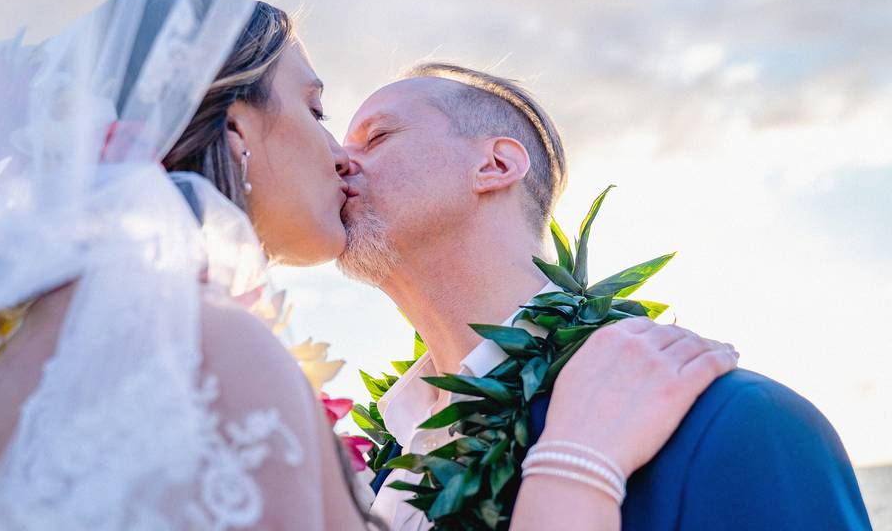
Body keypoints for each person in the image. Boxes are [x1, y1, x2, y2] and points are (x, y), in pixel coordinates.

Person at [0, 0, 735, 531]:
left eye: (373, 133)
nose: (338, 154)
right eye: (316, 111)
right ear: (238, 129)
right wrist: (578, 463)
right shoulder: (206, 348)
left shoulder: (36, 349)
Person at [338, 62, 873, 530]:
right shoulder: (390, 466)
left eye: (377, 137)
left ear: (496, 165)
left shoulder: (737, 421)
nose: (338, 162)